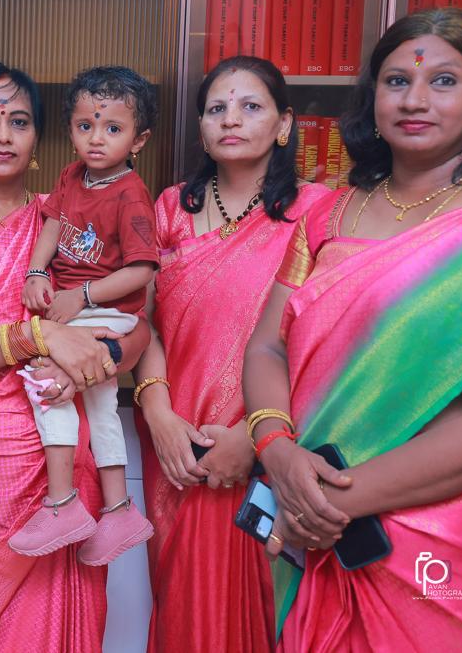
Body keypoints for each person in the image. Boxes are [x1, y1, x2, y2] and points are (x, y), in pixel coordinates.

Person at [242, 8, 462, 651]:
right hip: (310, 513)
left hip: (446, 541)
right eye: (397, 81)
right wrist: (278, 452)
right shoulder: (328, 213)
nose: (415, 99)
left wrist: (323, 503)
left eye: (443, 81)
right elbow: (266, 347)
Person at [0, 63, 152, 652]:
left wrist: (98, 352)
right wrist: (39, 337)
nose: (4, 136)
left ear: (39, 137)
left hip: (70, 463)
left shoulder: (66, 218)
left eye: (18, 122)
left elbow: (138, 326)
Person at [133, 57, 331, 652]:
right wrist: (159, 415)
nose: (231, 120)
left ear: (284, 124)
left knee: (263, 609)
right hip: (176, 449)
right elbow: (145, 324)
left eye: (250, 106)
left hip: (270, 448)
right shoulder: (171, 208)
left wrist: (256, 438)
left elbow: (325, 343)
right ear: (200, 128)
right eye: (216, 109)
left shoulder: (319, 211)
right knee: (183, 607)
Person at [13, 66, 159, 564]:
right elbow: (53, 224)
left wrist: (82, 296)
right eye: (85, 126)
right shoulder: (72, 176)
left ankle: (62, 504)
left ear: (138, 141)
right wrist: (37, 270)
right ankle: (118, 509)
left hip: (109, 311)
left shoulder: (131, 194)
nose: (96, 138)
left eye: (113, 128)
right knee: (99, 406)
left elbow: (141, 270)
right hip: (78, 305)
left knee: (46, 381)